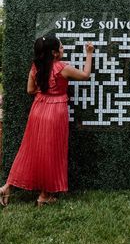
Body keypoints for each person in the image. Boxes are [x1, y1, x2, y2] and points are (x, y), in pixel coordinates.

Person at [0, 35, 94, 207]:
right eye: (61, 47)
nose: (63, 48)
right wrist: (89, 54)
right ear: (54, 53)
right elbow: (85, 75)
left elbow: (30, 90)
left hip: (38, 109)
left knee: (29, 150)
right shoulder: (62, 68)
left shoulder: (36, 66)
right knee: (51, 153)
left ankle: (7, 187)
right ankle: (44, 196)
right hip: (56, 112)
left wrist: (45, 92)